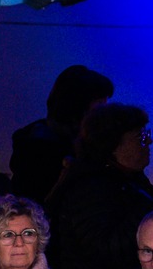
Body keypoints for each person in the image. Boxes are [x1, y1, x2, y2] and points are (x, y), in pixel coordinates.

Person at [45, 102, 153, 269]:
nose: (149, 141)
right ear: (112, 145)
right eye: (140, 137)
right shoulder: (90, 187)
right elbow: (105, 248)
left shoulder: (126, 179)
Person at [10, 64, 114, 206]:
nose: (104, 114)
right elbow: (32, 205)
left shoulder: (78, 142)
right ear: (78, 105)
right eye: (100, 106)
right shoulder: (39, 148)